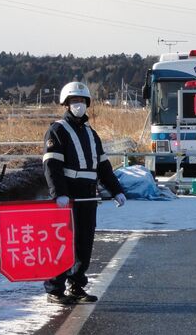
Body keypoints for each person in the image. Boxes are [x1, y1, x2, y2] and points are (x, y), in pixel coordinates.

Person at [42, 81, 126, 305]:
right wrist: (58, 193)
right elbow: (52, 166)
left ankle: (77, 286)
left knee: (84, 243)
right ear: (66, 104)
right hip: (67, 198)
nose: (78, 104)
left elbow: (104, 167)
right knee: (62, 243)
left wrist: (117, 190)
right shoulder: (57, 130)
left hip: (88, 196)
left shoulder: (91, 133)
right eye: (73, 101)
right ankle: (55, 288)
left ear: (87, 103)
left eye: (81, 101)